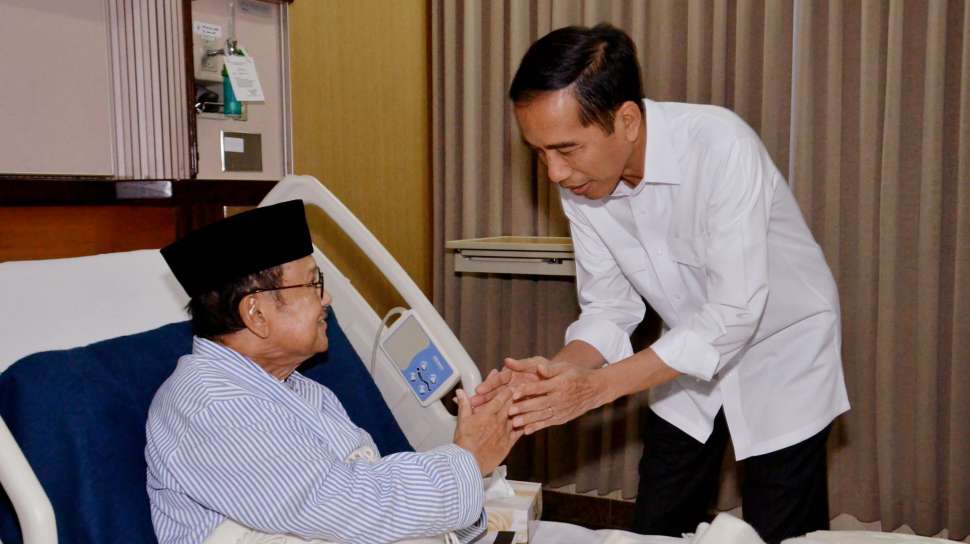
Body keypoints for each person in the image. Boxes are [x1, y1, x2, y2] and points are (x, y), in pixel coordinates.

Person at [472, 24, 850, 544]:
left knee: (780, 528)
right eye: (539, 152)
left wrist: (598, 388)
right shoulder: (581, 182)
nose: (554, 172)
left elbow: (734, 313)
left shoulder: (720, 146)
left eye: (566, 149)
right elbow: (609, 308)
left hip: (781, 350)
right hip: (683, 355)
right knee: (658, 521)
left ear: (627, 120)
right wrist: (556, 378)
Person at [147, 200, 519, 544]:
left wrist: (471, 469)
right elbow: (347, 506)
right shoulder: (212, 406)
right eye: (313, 284)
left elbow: (370, 489)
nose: (326, 298)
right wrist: (467, 461)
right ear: (256, 313)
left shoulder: (302, 391)